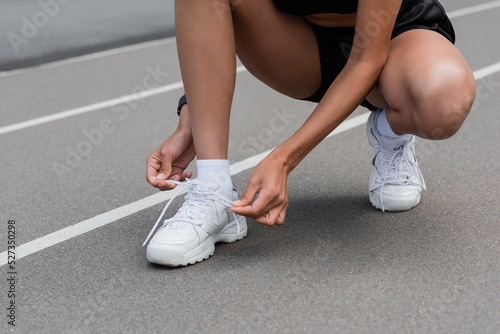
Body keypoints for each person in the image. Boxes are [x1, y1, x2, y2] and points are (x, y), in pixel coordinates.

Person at [143, 0, 476, 266]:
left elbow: (365, 59)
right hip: (302, 44)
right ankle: (213, 191)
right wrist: (191, 117)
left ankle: (390, 133)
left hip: (390, 42)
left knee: (443, 101)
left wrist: (283, 160)